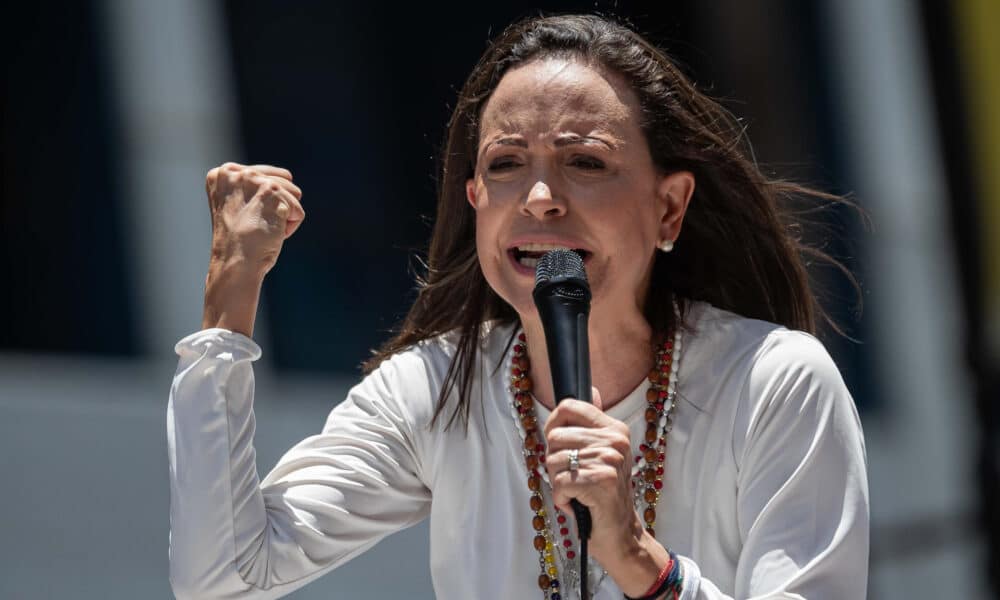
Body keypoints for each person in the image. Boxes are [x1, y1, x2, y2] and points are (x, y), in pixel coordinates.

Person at [167, 13, 869, 600]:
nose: (540, 198)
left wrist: (639, 561)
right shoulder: (435, 390)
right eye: (505, 165)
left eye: (585, 163)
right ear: (476, 202)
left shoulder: (775, 381)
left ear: (669, 207)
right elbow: (222, 576)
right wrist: (231, 294)